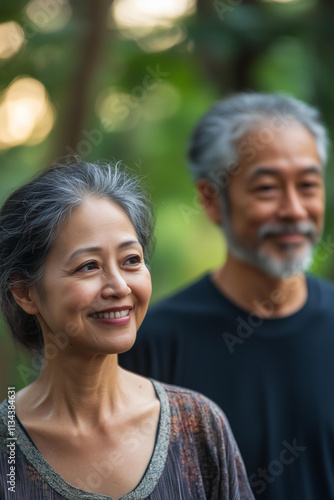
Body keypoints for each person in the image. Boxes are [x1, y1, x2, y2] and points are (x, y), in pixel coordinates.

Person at [120, 93, 334, 500]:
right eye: (267, 188)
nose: (293, 209)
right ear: (211, 199)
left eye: (308, 185)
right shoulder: (150, 343)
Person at [0, 159, 254, 500]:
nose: (119, 286)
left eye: (131, 260)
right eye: (88, 266)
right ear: (24, 291)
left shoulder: (197, 426)